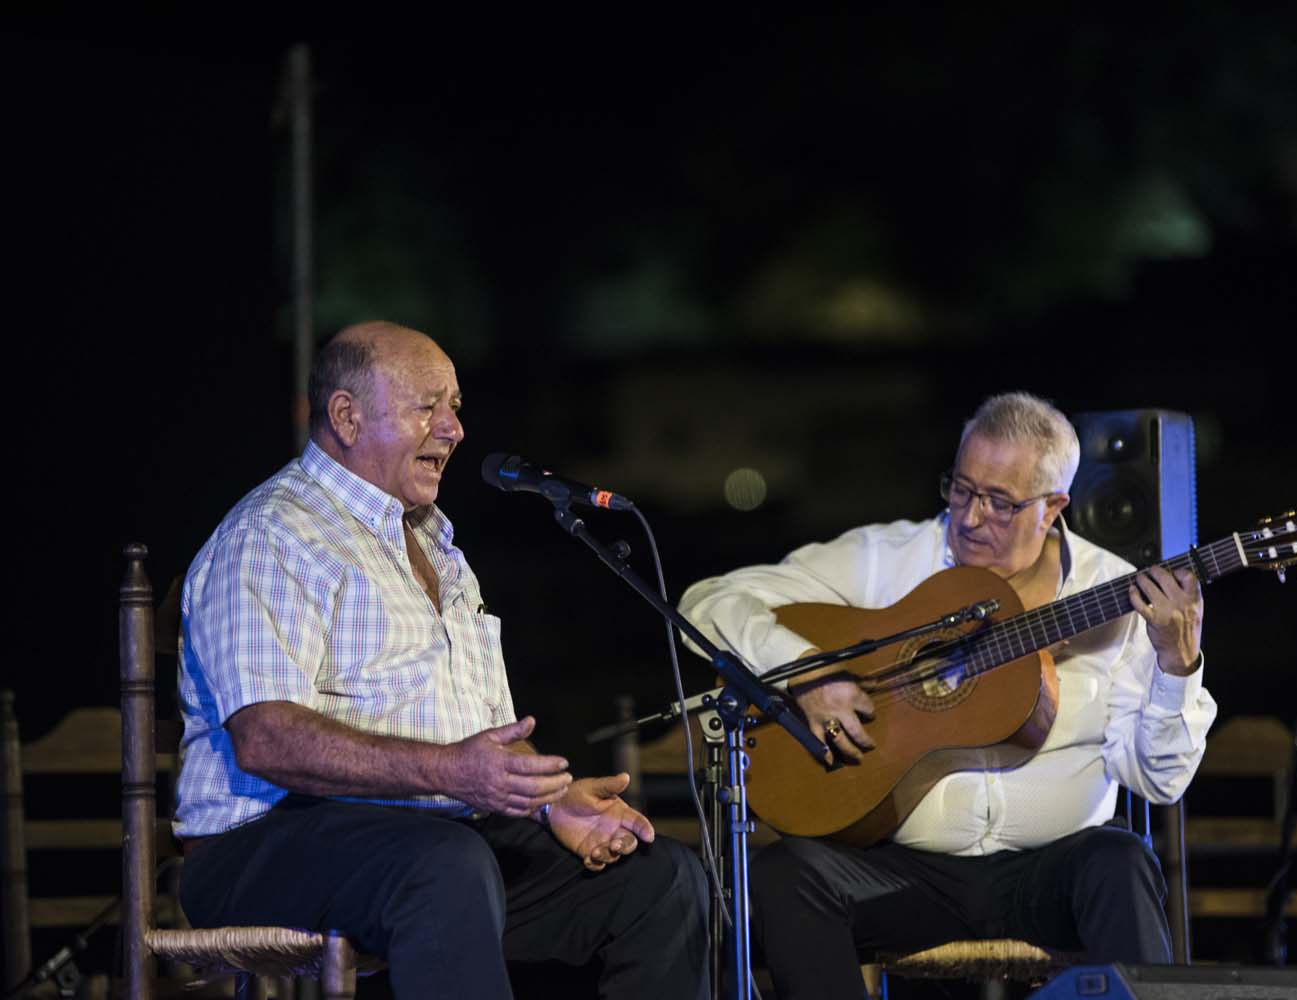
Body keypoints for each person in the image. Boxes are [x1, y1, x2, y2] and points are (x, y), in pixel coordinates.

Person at [174, 321, 709, 999]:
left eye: (455, 406)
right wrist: (455, 773)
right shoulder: (272, 534)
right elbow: (265, 739)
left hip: (432, 839)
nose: (454, 429)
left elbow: (483, 739)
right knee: (445, 865)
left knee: (658, 880)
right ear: (346, 416)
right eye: (428, 405)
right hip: (261, 847)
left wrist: (547, 804)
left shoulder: (437, 545)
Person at [678, 391, 1216, 999]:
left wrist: (1177, 663)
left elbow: (1160, 781)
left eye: (1001, 502)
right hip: (906, 871)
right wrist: (804, 669)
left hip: (1049, 872)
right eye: (961, 489)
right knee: (787, 875)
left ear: (1053, 506)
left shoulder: (1116, 591)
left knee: (1122, 861)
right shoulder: (887, 559)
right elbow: (707, 602)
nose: (971, 517)